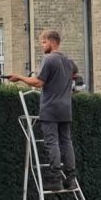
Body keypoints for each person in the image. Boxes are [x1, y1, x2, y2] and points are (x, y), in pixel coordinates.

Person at [9, 30, 79, 191]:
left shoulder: (49, 60)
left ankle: (55, 180)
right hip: (66, 110)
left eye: (43, 42)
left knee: (52, 142)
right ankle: (71, 179)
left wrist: (19, 78)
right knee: (66, 142)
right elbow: (75, 74)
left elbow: (38, 83)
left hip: (50, 109)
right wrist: (65, 79)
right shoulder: (69, 62)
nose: (42, 46)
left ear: (52, 42)